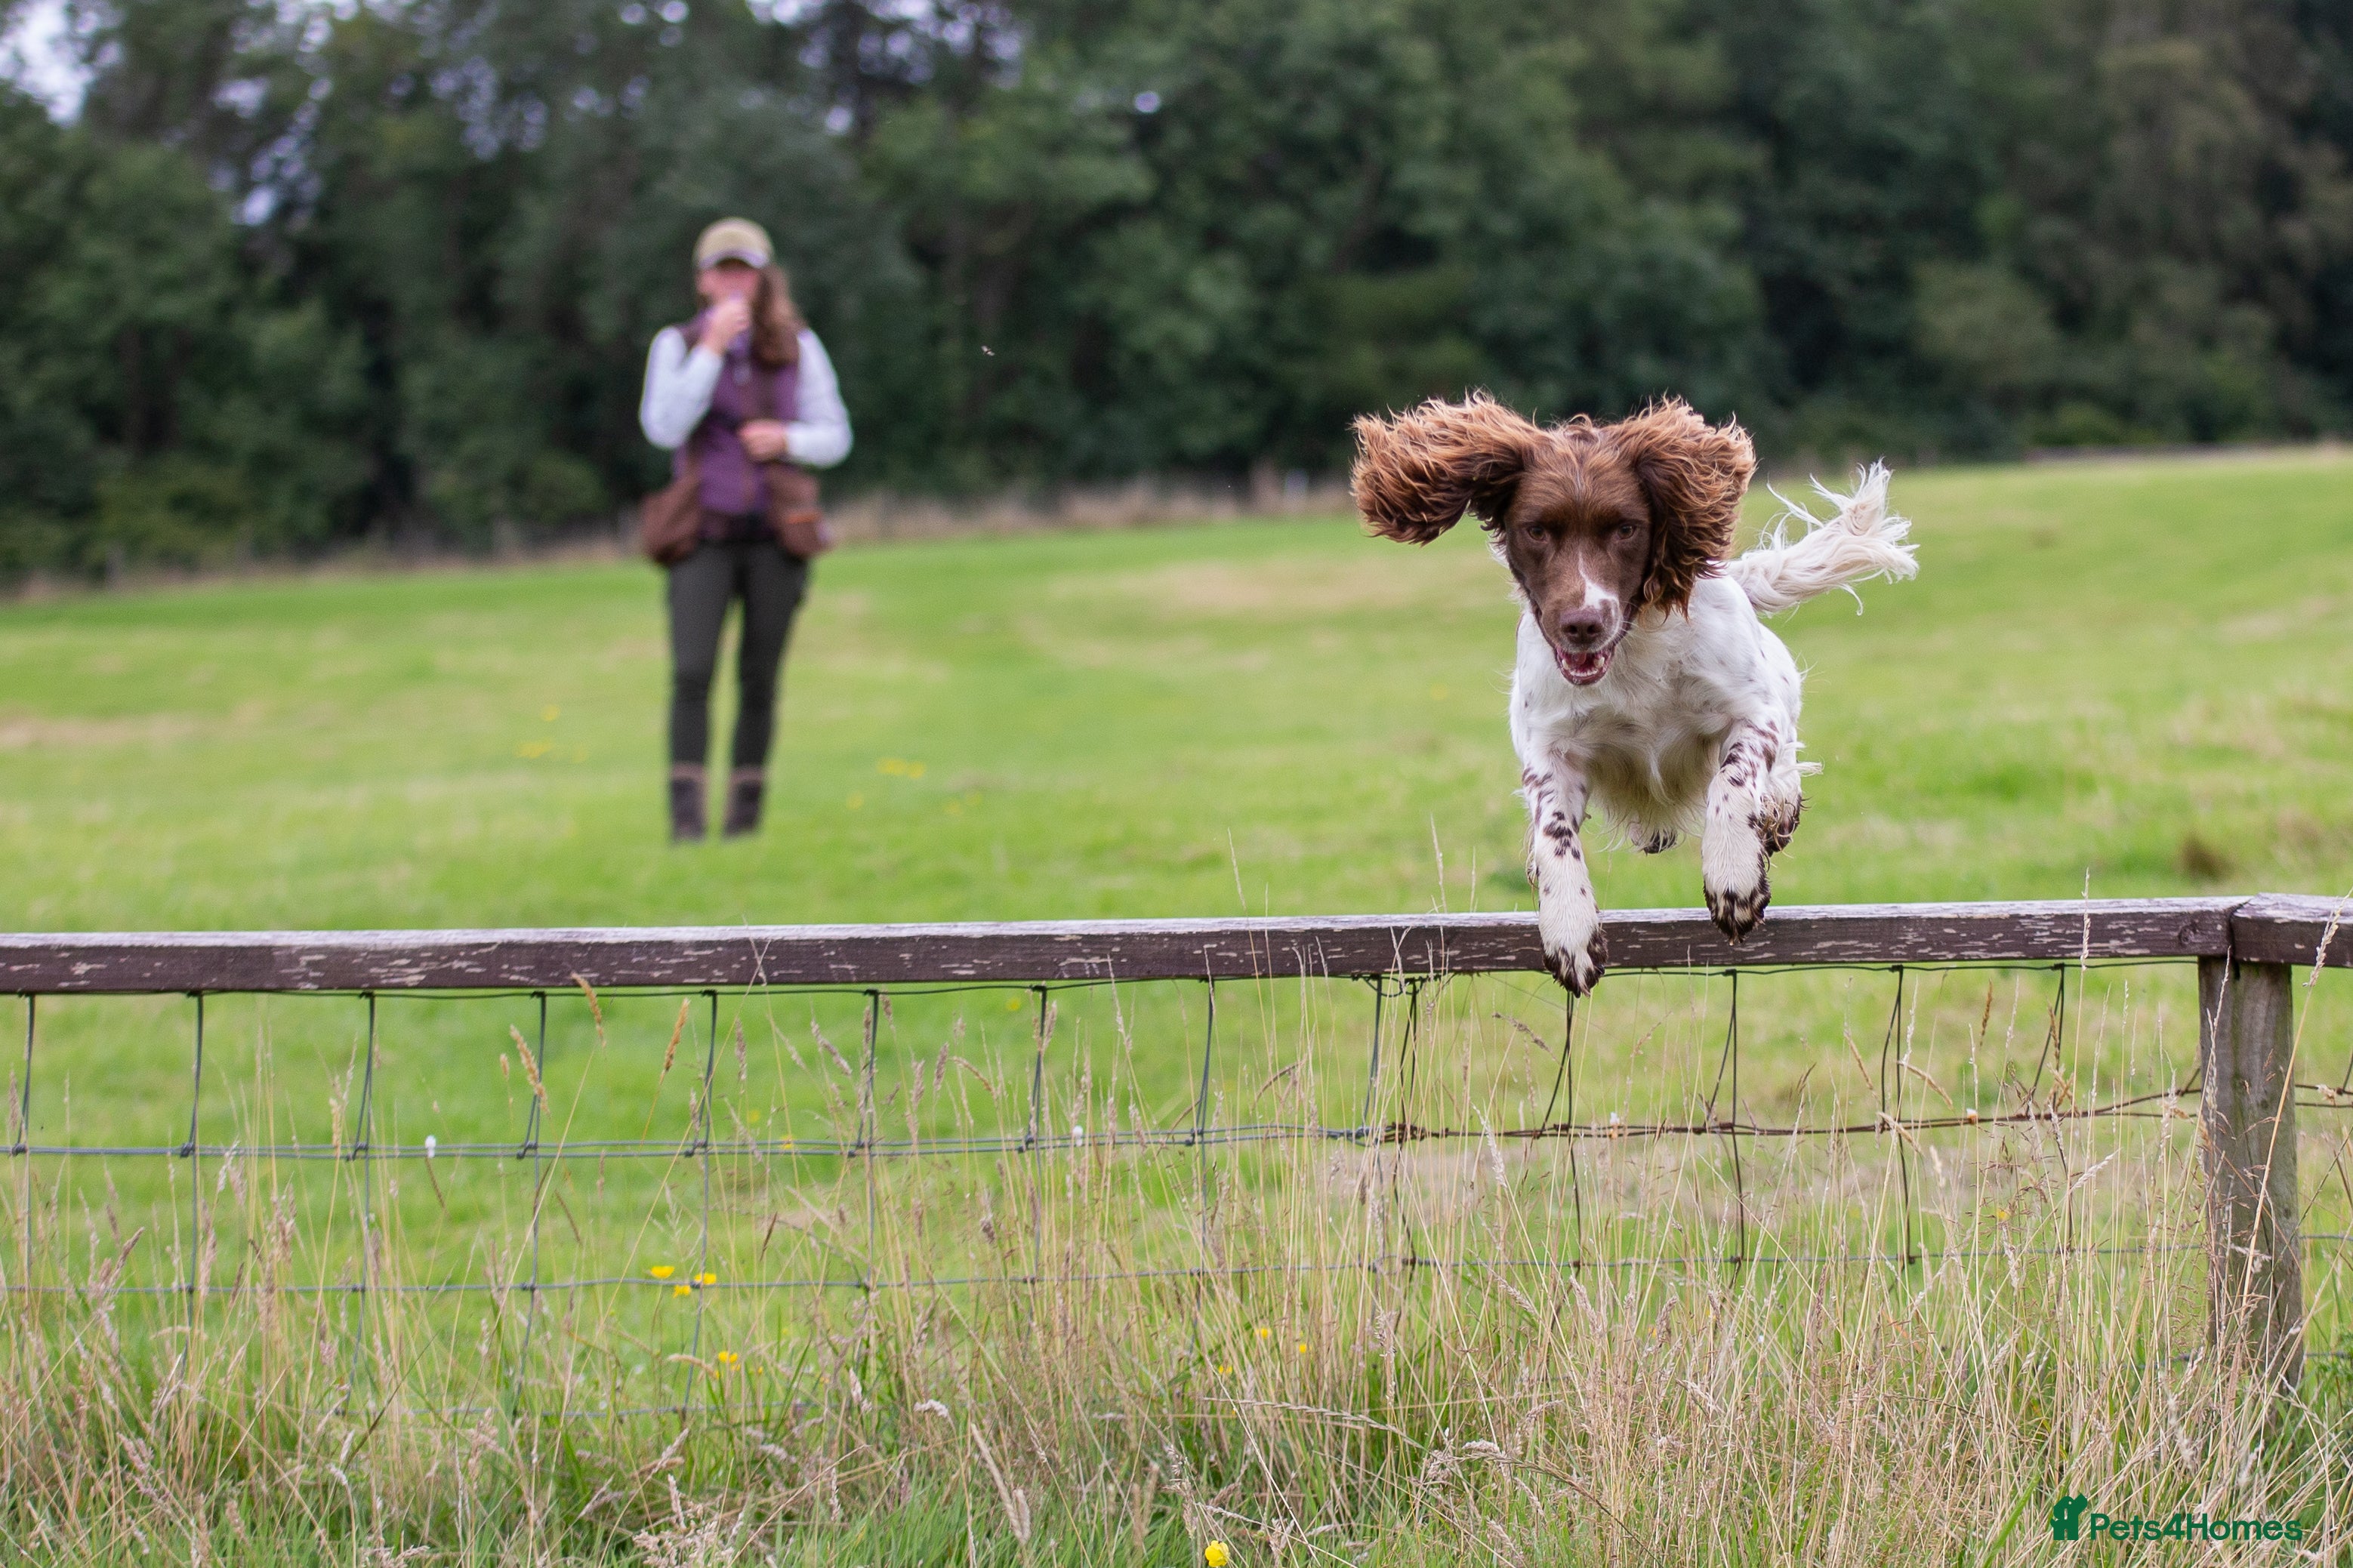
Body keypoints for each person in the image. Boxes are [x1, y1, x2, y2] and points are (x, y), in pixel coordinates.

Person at [639, 217, 852, 841]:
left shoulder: (798, 346)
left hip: (774, 536)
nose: (735, 280)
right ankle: (686, 820)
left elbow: (836, 435)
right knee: (692, 670)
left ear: (763, 278)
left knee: (761, 675)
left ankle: (745, 820)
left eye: (746, 269)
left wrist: (787, 439)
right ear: (704, 280)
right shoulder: (675, 345)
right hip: (701, 533)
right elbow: (665, 428)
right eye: (724, 269)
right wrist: (709, 351)